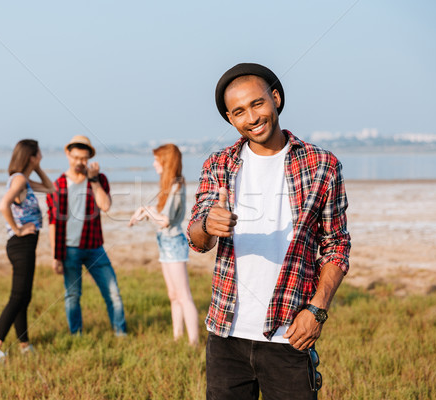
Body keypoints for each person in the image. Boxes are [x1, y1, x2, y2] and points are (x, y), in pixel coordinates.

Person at [187, 63, 351, 399]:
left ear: (275, 98)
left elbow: (336, 245)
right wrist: (208, 224)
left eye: (257, 103)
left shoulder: (322, 165)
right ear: (231, 120)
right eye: (239, 112)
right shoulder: (218, 164)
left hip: (290, 335)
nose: (251, 117)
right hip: (226, 336)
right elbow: (197, 238)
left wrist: (317, 310)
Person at [0, 139, 55, 363]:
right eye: (39, 153)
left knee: (24, 296)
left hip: (23, 246)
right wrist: (17, 229)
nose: (42, 155)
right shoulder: (20, 179)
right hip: (21, 244)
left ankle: (25, 345)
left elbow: (51, 188)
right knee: (17, 297)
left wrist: (37, 166)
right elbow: (3, 205)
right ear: (31, 155)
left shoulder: (24, 179)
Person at [46, 135, 127, 336]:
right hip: (68, 250)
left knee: (113, 293)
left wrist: (93, 180)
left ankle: (121, 333)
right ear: (68, 155)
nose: (80, 162)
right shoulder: (57, 185)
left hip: (95, 247)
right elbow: (53, 223)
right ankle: (77, 335)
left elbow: (105, 205)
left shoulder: (99, 180)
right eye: (76, 158)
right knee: (72, 295)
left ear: (89, 158)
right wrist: (55, 256)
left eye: (83, 158)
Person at [129, 144, 199, 345]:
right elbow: (160, 216)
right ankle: (177, 338)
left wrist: (146, 210)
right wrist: (144, 212)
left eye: (157, 160)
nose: (153, 163)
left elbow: (165, 220)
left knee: (184, 296)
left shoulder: (177, 186)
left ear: (166, 162)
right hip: (165, 242)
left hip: (174, 243)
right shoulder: (169, 186)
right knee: (173, 295)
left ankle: (193, 343)